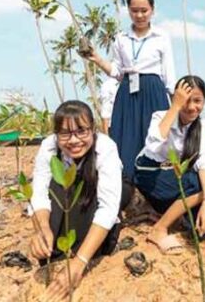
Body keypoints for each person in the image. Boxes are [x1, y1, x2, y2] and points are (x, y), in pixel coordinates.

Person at [29, 100, 133, 300]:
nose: (74, 141)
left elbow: (107, 207)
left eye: (82, 131)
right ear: (56, 134)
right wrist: (42, 229)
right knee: (56, 194)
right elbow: (39, 193)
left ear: (93, 130)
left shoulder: (105, 147)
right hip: (71, 185)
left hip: (106, 186)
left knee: (89, 237)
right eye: (65, 133)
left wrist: (79, 263)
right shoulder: (49, 147)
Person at [87, 0, 176, 180]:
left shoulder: (162, 37)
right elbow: (117, 72)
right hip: (127, 91)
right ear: (128, 10)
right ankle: (126, 186)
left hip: (153, 90)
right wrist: (97, 59)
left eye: (144, 10)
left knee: (154, 139)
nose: (139, 15)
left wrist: (174, 106)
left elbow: (169, 74)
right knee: (125, 139)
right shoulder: (121, 38)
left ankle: (153, 188)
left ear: (152, 9)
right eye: (134, 10)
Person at [134, 76, 205, 254]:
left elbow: (204, 160)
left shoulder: (202, 125)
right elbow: (153, 144)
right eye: (186, 100)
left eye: (198, 101)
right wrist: (175, 106)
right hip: (151, 174)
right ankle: (159, 229)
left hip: (176, 176)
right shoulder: (161, 116)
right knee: (198, 185)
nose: (192, 107)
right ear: (176, 98)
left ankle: (187, 222)